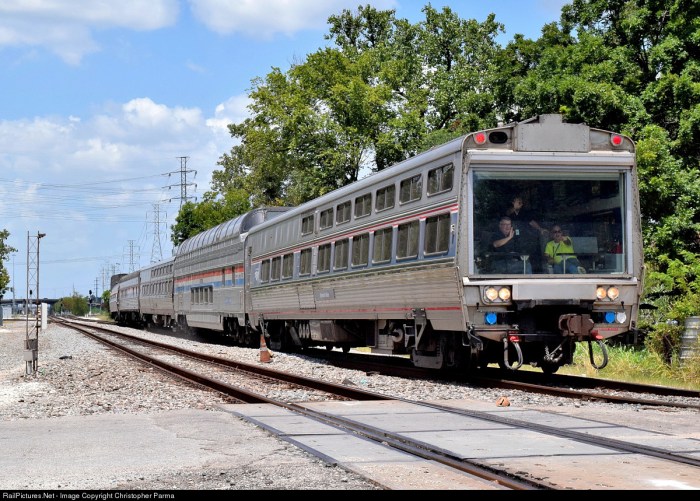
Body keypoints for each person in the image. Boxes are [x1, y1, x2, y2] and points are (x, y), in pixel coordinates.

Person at [505, 195, 547, 271]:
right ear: (513, 203)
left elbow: (531, 222)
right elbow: (507, 214)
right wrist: (514, 207)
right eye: (518, 202)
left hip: (525, 239)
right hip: (513, 239)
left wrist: (540, 229)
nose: (520, 203)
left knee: (528, 258)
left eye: (520, 202)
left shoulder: (524, 213)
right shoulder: (510, 213)